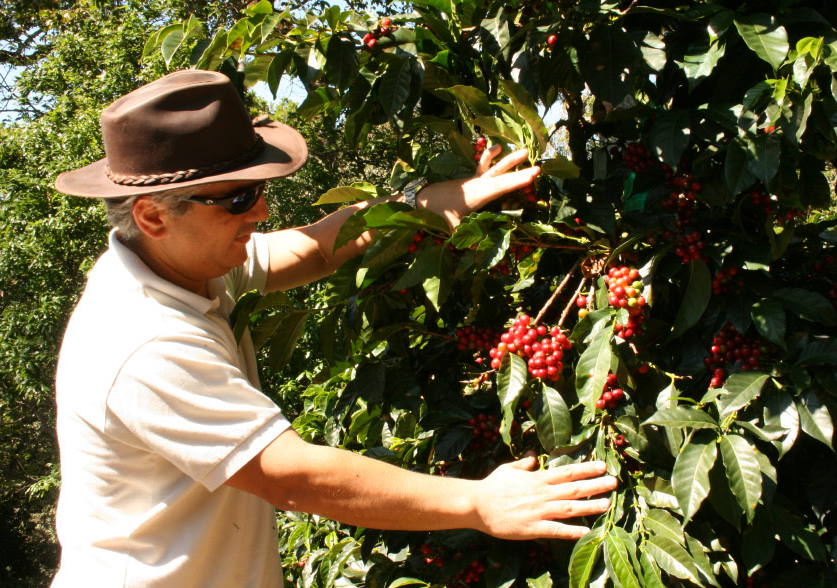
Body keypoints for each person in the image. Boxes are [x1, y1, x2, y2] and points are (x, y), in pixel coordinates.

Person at [51, 69, 617, 587]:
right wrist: (480, 504)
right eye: (240, 198)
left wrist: (437, 200)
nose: (262, 212)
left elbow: (318, 246)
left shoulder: (188, 261)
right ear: (152, 215)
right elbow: (293, 476)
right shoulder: (142, 339)